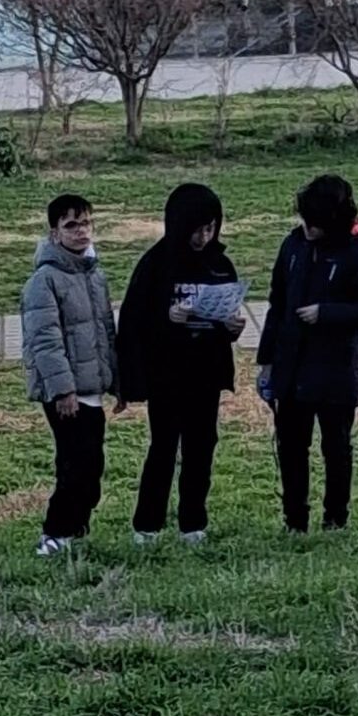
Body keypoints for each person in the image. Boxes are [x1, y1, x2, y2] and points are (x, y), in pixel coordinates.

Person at [256, 174, 358, 534]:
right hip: (292, 366)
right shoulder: (293, 245)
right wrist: (266, 361)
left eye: (314, 222)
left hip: (335, 370)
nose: (307, 228)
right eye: (305, 219)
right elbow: (277, 304)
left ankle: (335, 518)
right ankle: (294, 519)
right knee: (291, 446)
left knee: (336, 447)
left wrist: (326, 313)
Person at [118, 183, 246, 546]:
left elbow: (227, 316)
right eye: (196, 229)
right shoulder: (156, 264)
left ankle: (193, 523)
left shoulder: (220, 264)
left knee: (201, 448)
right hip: (167, 374)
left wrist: (233, 328)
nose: (203, 237)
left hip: (206, 374)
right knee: (163, 448)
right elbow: (133, 321)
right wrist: (167, 316)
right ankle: (147, 525)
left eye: (210, 228)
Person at [21, 193, 121, 557]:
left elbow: (105, 331)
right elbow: (45, 341)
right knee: (74, 464)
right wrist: (63, 390)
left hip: (92, 388)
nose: (81, 231)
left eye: (86, 223)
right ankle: (54, 533)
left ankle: (76, 531)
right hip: (64, 392)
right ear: (55, 233)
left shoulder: (95, 275)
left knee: (92, 465)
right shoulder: (44, 280)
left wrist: (117, 382)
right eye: (71, 225)